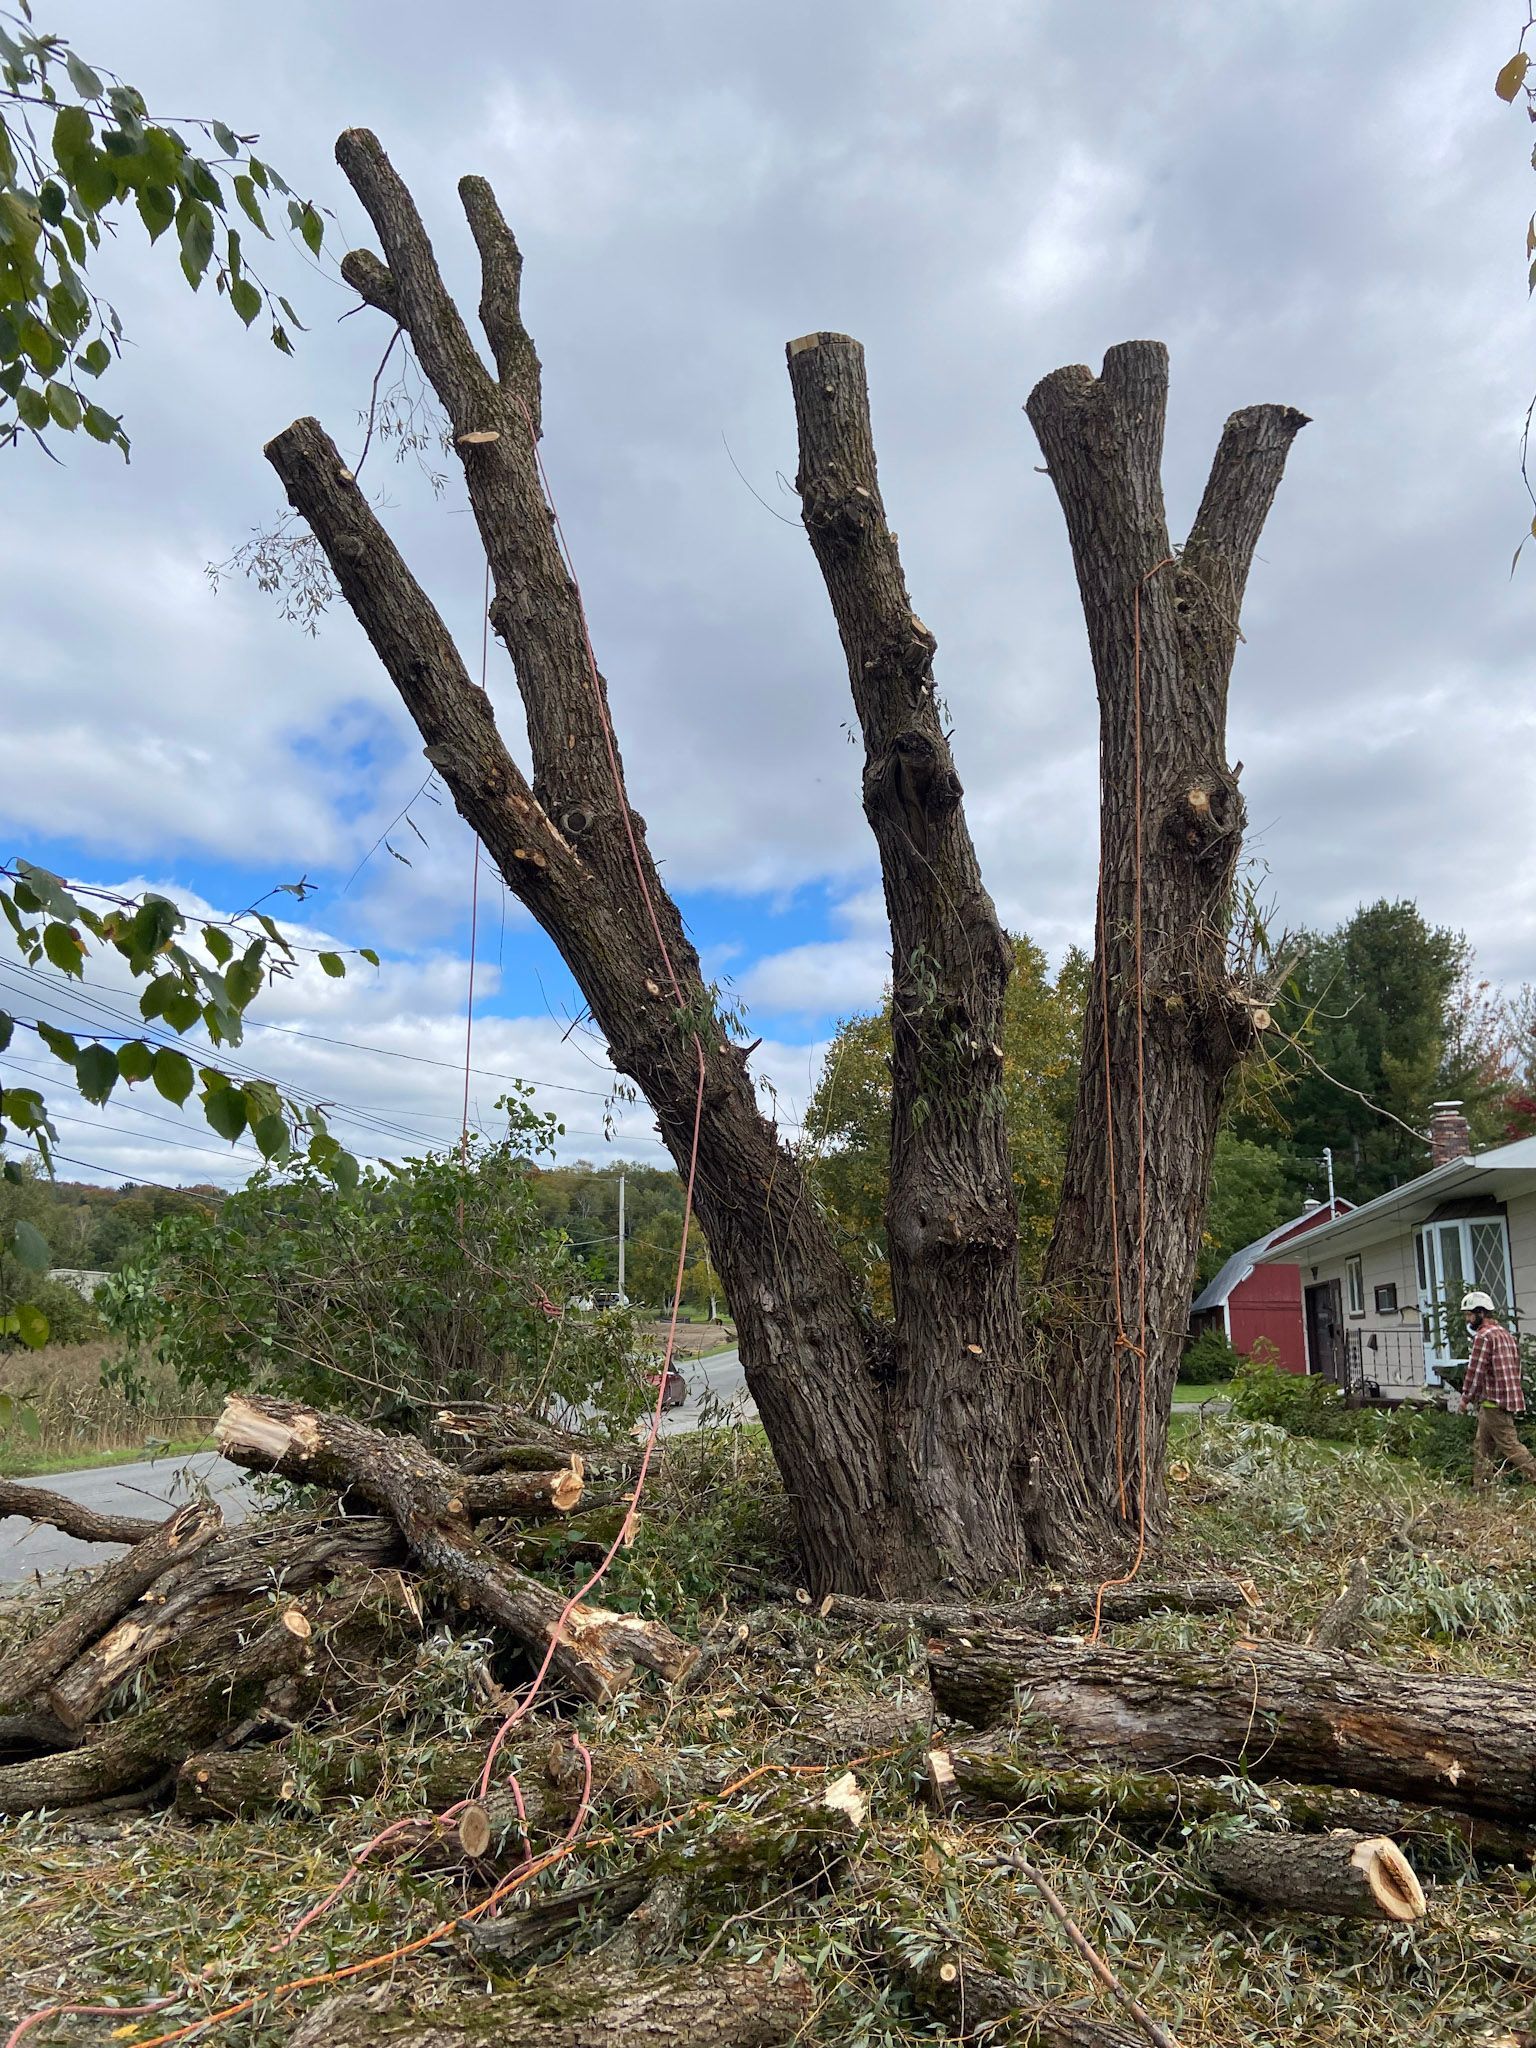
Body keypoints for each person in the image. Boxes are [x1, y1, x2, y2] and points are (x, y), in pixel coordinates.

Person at [1457, 1290, 1536, 1491]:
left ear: (1481, 1313)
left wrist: (1465, 1398)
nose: (1468, 1319)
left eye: (1470, 1314)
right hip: (1504, 1399)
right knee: (1482, 1447)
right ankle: (1482, 1489)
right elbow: (1517, 1367)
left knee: (1510, 1445)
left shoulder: (1483, 1337)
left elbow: (1475, 1371)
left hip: (1494, 1400)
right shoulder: (1505, 1334)